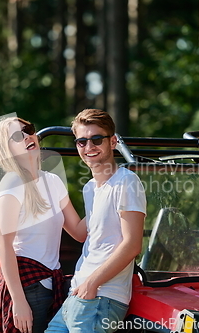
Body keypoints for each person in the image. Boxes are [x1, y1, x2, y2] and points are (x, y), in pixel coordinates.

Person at [46, 109, 147, 333]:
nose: (89, 146)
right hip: (77, 294)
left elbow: (132, 245)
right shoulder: (90, 188)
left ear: (112, 142)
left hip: (102, 296)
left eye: (96, 139)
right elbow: (83, 233)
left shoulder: (126, 182)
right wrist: (48, 196)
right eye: (81, 141)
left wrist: (92, 284)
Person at [0, 117, 87, 333]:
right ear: (7, 149)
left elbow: (79, 232)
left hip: (53, 283)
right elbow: (4, 244)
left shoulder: (53, 181)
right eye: (16, 136)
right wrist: (18, 301)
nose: (26, 136)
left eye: (28, 129)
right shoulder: (12, 182)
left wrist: (104, 196)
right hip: (27, 285)